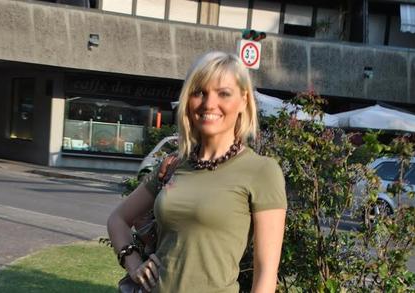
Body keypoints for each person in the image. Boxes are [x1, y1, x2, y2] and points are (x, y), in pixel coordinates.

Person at [107, 51, 287, 293]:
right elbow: (117, 220)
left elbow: (265, 272)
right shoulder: (172, 166)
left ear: (243, 101)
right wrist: (133, 263)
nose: (209, 103)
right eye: (199, 92)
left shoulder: (262, 171)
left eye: (223, 93)